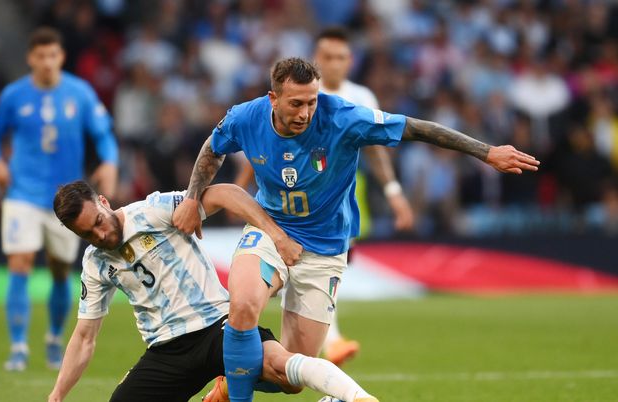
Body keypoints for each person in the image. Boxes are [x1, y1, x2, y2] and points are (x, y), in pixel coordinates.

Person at [172, 57, 539, 402]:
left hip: (325, 248)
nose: (306, 113)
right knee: (243, 307)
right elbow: (212, 148)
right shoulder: (245, 118)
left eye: (312, 102)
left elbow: (415, 128)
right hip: (270, 230)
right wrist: (192, 197)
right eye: (296, 103)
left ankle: (229, 380)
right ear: (273, 98)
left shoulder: (342, 117)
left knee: (291, 377)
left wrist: (486, 152)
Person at [47, 180, 379, 402]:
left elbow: (224, 193)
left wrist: (273, 233)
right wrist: (57, 395)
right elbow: (85, 337)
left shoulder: (153, 211)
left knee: (285, 374)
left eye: (99, 221)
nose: (100, 234)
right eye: (88, 233)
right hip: (166, 352)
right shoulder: (94, 264)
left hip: (219, 329)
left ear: (104, 202)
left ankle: (355, 399)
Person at [232, 27, 415, 367]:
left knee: (320, 269)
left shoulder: (357, 99)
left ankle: (318, 339)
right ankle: (329, 340)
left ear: (350, 62)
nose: (335, 64)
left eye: (342, 58)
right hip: (283, 208)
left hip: (338, 201)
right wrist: (239, 190)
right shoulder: (288, 98)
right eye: (328, 57)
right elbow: (258, 148)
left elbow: (376, 148)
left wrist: (393, 192)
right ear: (316, 60)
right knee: (279, 277)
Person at [0, 27, 119, 371]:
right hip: (22, 194)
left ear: (61, 57)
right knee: (21, 262)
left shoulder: (80, 94)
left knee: (59, 271)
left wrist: (110, 162)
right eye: (40, 56)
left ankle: (55, 341)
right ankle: (18, 347)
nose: (46, 62)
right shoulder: (14, 96)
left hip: (66, 203)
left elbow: (103, 135)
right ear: (31, 58)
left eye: (52, 55)